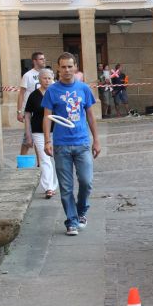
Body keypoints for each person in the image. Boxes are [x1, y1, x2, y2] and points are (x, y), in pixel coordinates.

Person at [43, 52, 101, 236]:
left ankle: (81, 211)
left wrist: (96, 140)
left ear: (75, 67)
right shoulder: (52, 90)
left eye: (70, 66)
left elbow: (91, 116)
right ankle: (71, 221)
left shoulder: (83, 89)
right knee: (66, 187)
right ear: (58, 69)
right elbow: (47, 117)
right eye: (63, 67)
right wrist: (47, 141)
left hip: (82, 143)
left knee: (86, 182)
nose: (67, 70)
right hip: (61, 145)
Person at [24, 68, 59, 199]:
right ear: (39, 80)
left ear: (53, 78)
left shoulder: (57, 93)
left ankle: (54, 184)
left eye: (49, 78)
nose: (47, 81)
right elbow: (27, 115)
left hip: (56, 131)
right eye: (44, 78)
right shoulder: (34, 95)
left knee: (56, 159)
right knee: (45, 159)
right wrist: (28, 133)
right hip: (38, 131)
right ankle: (48, 187)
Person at [17, 52, 46, 157]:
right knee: (28, 139)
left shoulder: (46, 74)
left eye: (44, 58)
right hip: (31, 111)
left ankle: (40, 164)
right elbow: (21, 94)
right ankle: (21, 163)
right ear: (35, 61)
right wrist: (19, 111)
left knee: (40, 138)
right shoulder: (28, 75)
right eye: (41, 59)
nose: (44, 60)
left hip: (43, 110)